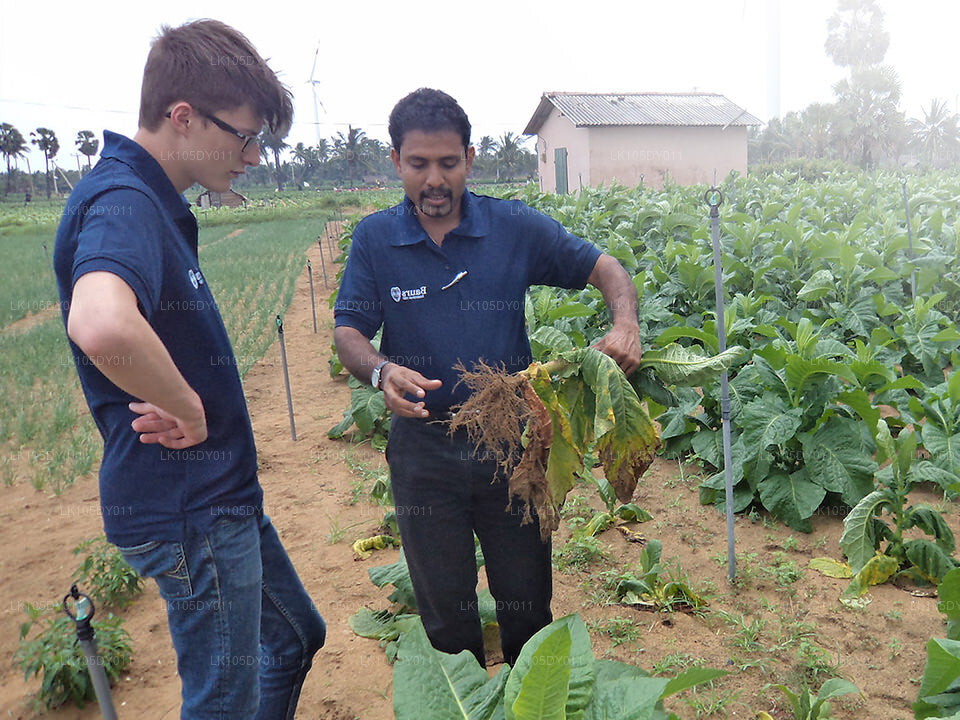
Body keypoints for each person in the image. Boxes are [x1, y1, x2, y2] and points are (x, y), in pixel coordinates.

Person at [52, 20, 325, 719]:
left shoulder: (149, 201)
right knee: (222, 701)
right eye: (245, 136)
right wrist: (190, 405)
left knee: (295, 637)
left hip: (218, 497)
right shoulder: (126, 201)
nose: (255, 156)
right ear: (182, 117)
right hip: (190, 513)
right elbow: (100, 321)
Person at [333, 88, 640, 666]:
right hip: (423, 448)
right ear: (396, 160)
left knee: (526, 603)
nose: (434, 179)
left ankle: (532, 694)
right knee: (445, 612)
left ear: (469, 159)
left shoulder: (512, 227)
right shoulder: (376, 239)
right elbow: (348, 331)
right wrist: (379, 371)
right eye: (418, 163)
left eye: (448, 163)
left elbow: (605, 268)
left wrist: (625, 324)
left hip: (512, 447)